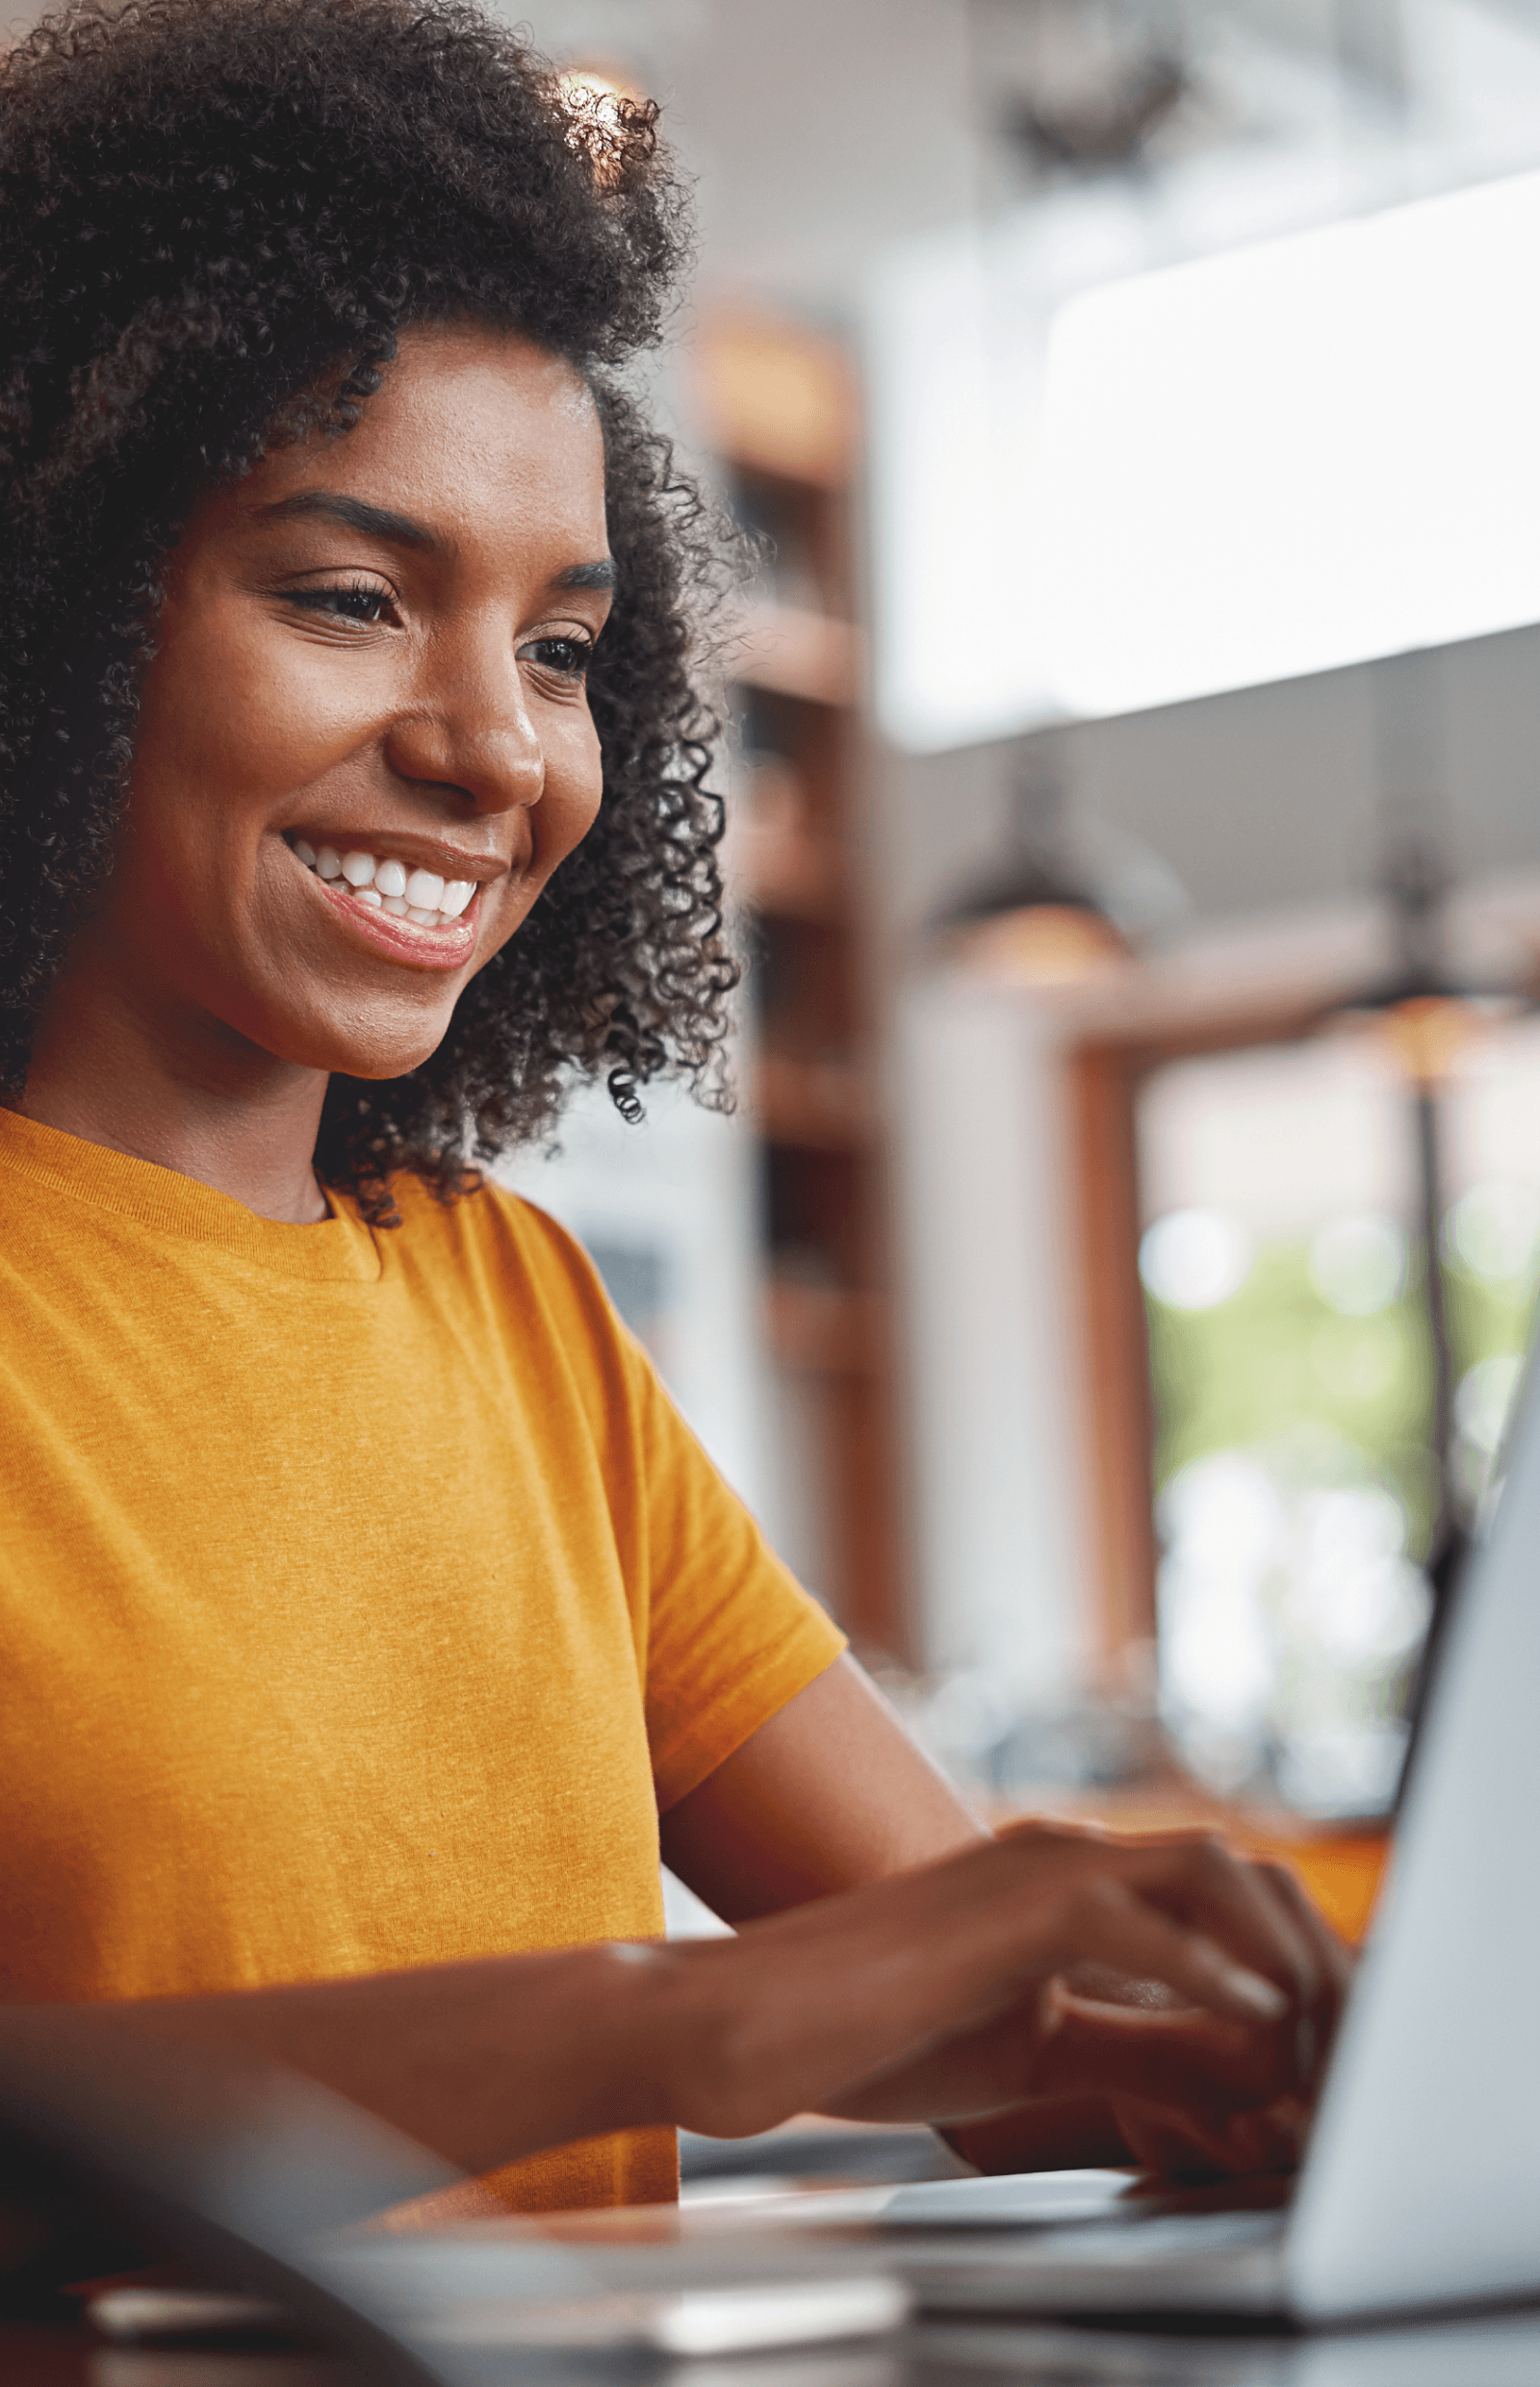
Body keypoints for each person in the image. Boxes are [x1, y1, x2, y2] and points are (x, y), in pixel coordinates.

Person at [0, 0, 1346, 2219]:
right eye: (350, 597)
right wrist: (680, 2017)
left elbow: (998, 2026)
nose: (498, 750)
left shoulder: (512, 1313)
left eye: (556, 646)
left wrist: (1281, 2056)